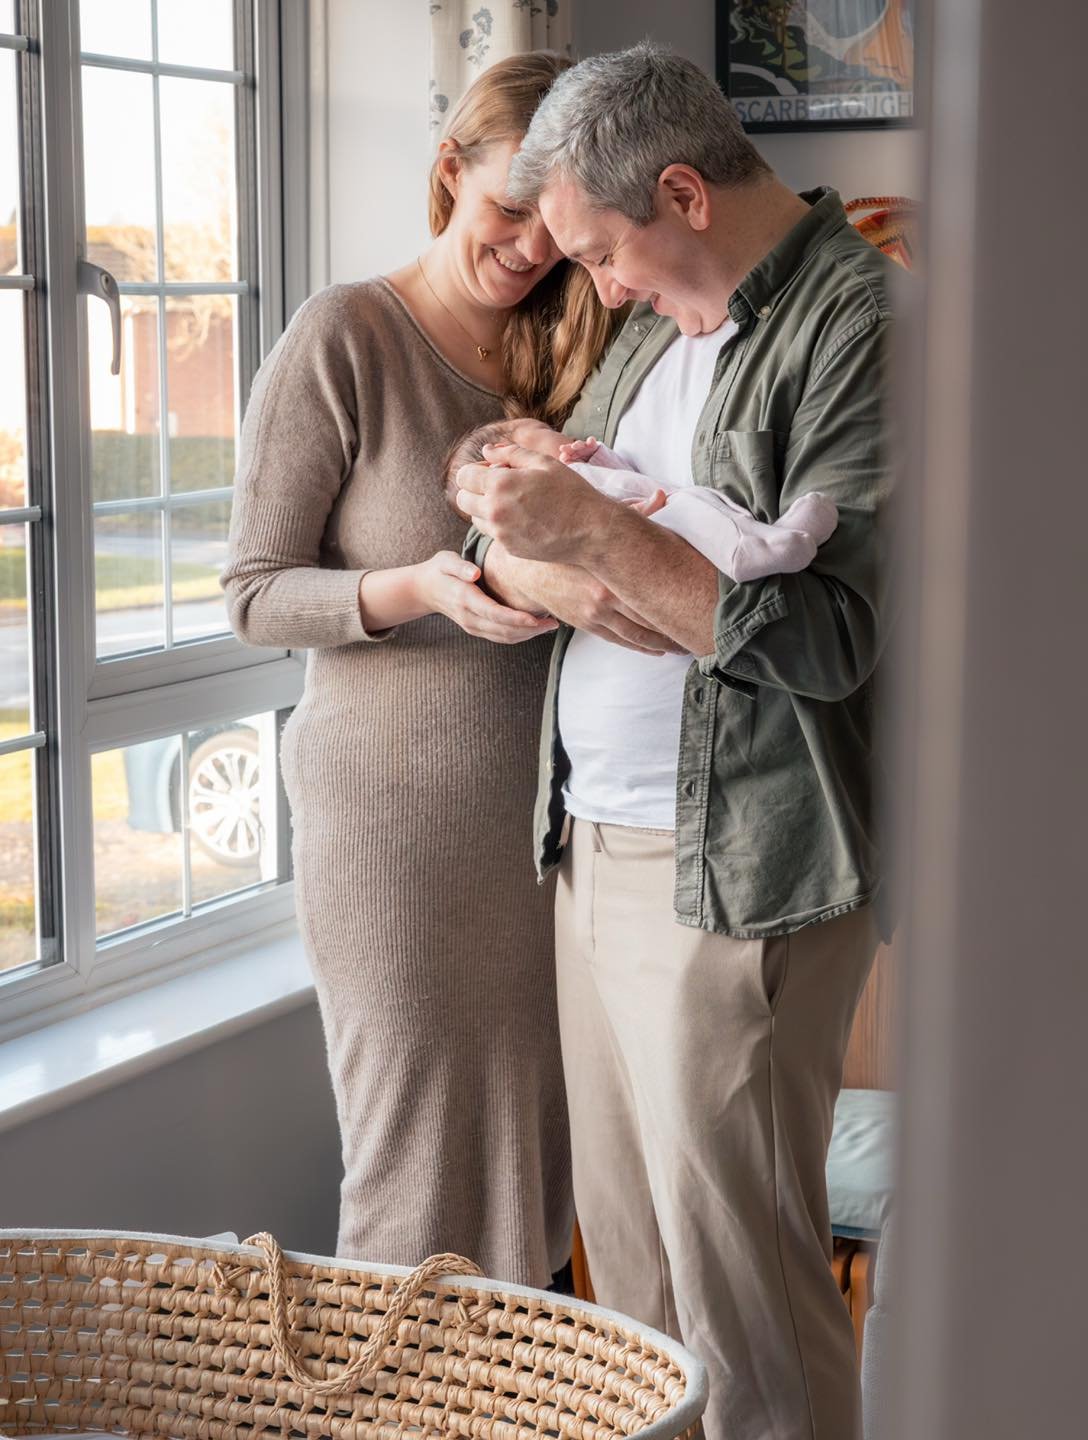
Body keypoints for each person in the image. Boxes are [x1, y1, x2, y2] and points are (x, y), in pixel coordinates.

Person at [455, 43, 902, 1439]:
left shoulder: (861, 323)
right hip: (591, 841)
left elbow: (830, 637)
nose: (594, 290)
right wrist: (521, 519)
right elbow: (532, 507)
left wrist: (590, 539)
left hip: (741, 869)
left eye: (600, 253)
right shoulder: (655, 323)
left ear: (685, 194)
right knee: (631, 1291)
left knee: (747, 1312)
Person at [221, 53, 628, 1289]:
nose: (528, 248)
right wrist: (417, 590)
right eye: (509, 209)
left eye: (555, 227)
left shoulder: (562, 347)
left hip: (539, 829)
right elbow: (252, 592)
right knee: (413, 1171)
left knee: (533, 1165)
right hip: (392, 831)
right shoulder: (345, 335)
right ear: (449, 171)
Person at [444, 416, 839, 580]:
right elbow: (598, 518)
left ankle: (771, 535)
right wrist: (638, 516)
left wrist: (596, 456)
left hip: (672, 501)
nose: (556, 430)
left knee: (711, 505)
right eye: (538, 430)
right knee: (697, 514)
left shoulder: (577, 471)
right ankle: (749, 556)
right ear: (508, 462)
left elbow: (621, 477)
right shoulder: (554, 497)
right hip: (660, 521)